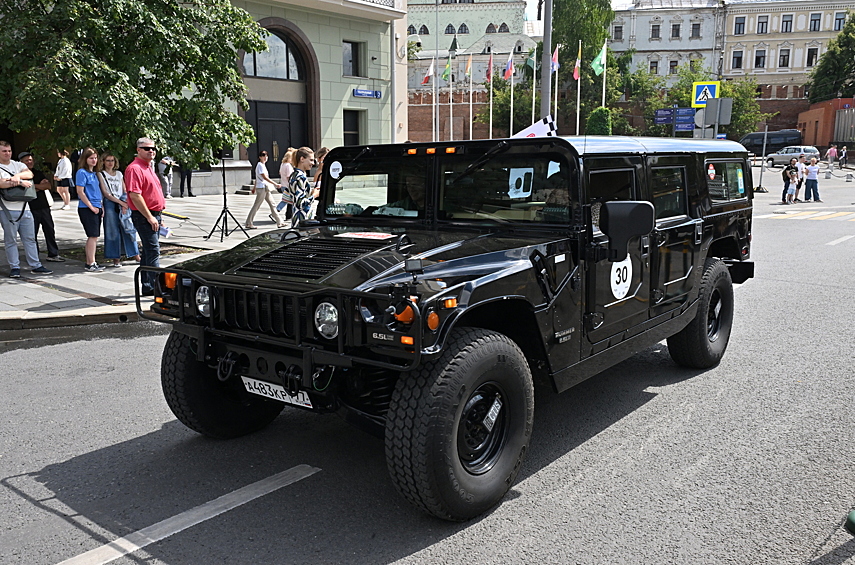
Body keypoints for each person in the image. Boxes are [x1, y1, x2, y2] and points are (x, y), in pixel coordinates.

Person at [0, 141, 52, 278]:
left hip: (25, 208)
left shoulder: (18, 165)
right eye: (4, 151)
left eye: (9, 151)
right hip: (6, 209)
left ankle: (35, 265)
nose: (7, 153)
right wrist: (21, 182)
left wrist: (16, 177)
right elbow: (1, 184)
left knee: (30, 238)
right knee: (11, 239)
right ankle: (15, 267)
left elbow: (29, 174)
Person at [126, 137, 166, 295]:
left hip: (154, 214)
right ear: (138, 150)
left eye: (153, 148)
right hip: (144, 215)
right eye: (147, 148)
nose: (151, 151)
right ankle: (158, 288)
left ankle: (148, 286)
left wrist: (158, 216)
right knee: (153, 250)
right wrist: (150, 217)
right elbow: (135, 195)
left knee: (149, 252)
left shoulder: (148, 167)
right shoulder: (134, 168)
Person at [19, 152, 64, 262]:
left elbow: (48, 186)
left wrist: (33, 186)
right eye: (27, 160)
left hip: (43, 206)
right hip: (29, 207)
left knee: (49, 230)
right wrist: (39, 187)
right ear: (21, 163)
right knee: (31, 233)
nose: (30, 162)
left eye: (31, 160)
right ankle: (34, 255)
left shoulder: (38, 173)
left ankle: (53, 254)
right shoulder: (18, 175)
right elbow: (22, 189)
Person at [98, 153, 140, 267]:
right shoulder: (101, 174)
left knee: (128, 227)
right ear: (103, 162)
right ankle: (115, 258)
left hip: (122, 200)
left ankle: (135, 254)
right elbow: (105, 193)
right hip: (110, 202)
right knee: (112, 230)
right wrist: (121, 203)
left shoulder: (119, 174)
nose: (110, 163)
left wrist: (125, 203)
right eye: (108, 160)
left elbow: (125, 189)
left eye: (112, 160)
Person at [75, 147, 105, 272]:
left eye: (95, 158)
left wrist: (100, 206)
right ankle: (91, 262)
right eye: (91, 158)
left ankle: (90, 262)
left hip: (97, 206)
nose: (94, 160)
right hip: (87, 208)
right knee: (93, 235)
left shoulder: (94, 174)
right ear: (85, 159)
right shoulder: (82, 172)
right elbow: (80, 191)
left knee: (94, 236)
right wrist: (91, 206)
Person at [245, 150, 283, 229]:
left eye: (266, 156)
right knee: (257, 205)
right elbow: (264, 177)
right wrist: (275, 184)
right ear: (260, 157)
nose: (265, 157)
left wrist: (254, 187)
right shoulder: (260, 165)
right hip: (262, 188)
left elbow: (257, 178)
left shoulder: (262, 165)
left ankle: (280, 222)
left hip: (264, 187)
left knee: (272, 204)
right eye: (263, 156)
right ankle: (249, 223)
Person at [289, 146, 315, 227]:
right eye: (311, 160)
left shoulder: (294, 175)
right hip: (303, 219)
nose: (313, 163)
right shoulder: (301, 177)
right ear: (302, 159)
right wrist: (314, 195)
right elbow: (300, 203)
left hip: (296, 216)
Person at [277, 147, 296, 217]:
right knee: (286, 200)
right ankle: (277, 210)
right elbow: (289, 176)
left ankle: (289, 215)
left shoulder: (282, 164)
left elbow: (280, 173)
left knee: (289, 201)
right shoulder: (288, 165)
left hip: (283, 184)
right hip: (288, 185)